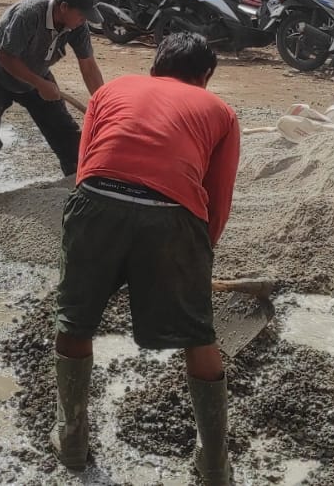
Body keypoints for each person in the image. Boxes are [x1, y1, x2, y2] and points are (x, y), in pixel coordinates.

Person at [49, 33, 241, 483]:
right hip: (173, 217)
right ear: (206, 76)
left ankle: (72, 440)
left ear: (154, 66)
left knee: (74, 319)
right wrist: (198, 259)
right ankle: (213, 464)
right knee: (198, 333)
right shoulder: (219, 112)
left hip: (95, 202)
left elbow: (85, 168)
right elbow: (218, 197)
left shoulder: (112, 90)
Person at [0, 0, 106, 200]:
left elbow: (88, 65)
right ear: (63, 7)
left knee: (65, 132)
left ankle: (79, 186)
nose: (85, 19)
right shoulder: (30, 13)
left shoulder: (77, 27)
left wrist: (104, 105)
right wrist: (40, 84)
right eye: (82, 14)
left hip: (35, 71)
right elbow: (4, 56)